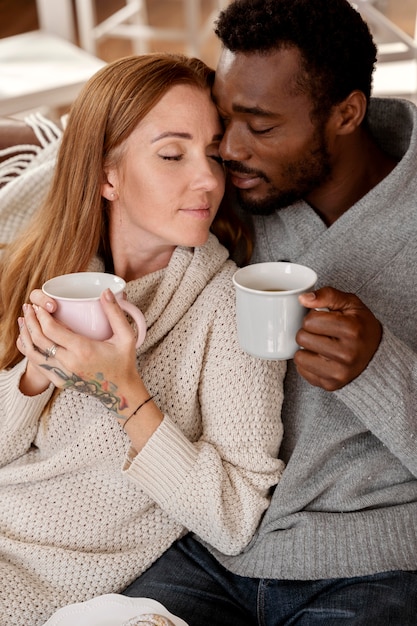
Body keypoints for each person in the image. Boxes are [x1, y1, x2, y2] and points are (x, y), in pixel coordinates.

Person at [120, 1, 417, 624]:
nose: (227, 149)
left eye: (260, 125)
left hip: (365, 565)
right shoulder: (222, 197)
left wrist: (378, 365)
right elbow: (102, 173)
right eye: (224, 118)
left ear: (346, 114)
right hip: (203, 543)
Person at [0, 53, 286, 626]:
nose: (207, 179)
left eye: (212, 154)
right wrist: (35, 376)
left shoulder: (230, 308)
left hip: (54, 590)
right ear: (107, 175)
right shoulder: (47, 271)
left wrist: (123, 392)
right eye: (172, 155)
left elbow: (235, 515)